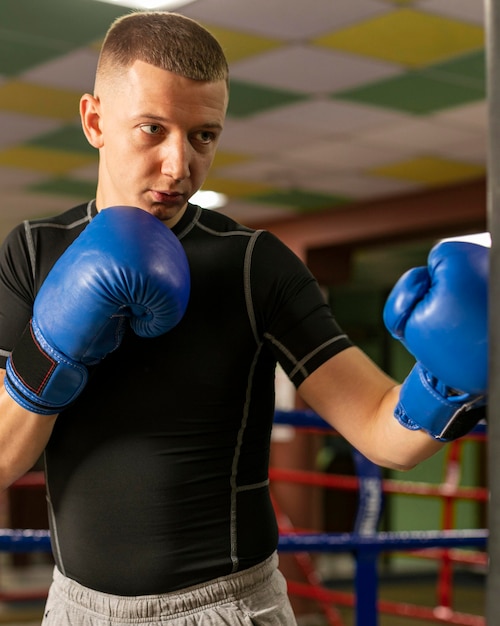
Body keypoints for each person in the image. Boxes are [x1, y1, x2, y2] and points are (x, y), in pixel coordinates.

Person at [0, 10, 488, 626]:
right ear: (95, 120)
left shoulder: (256, 265)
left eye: (204, 136)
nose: (180, 166)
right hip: (76, 608)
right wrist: (53, 348)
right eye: (152, 129)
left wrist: (450, 381)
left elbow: (380, 431)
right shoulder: (33, 251)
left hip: (227, 608)